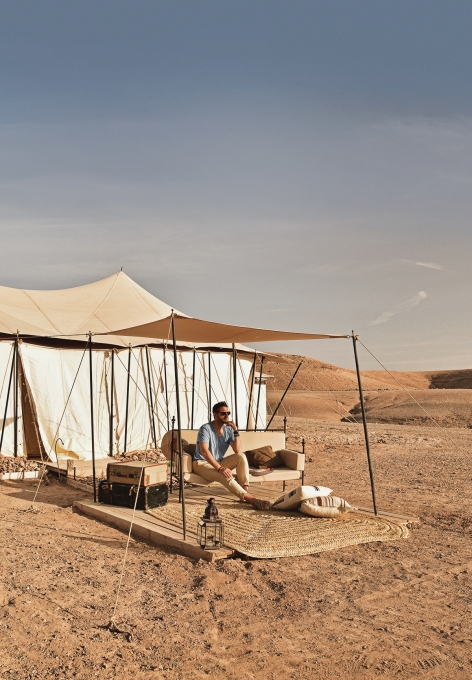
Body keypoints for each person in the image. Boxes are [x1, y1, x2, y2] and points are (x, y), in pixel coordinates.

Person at [193, 402, 271, 510]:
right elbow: (204, 451)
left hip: (218, 462)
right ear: (215, 415)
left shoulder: (228, 429)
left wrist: (235, 430)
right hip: (201, 463)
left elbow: (237, 450)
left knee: (241, 456)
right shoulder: (205, 429)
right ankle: (252, 500)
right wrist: (220, 468)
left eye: (228, 413)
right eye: (223, 413)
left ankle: (245, 493)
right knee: (225, 475)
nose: (226, 416)